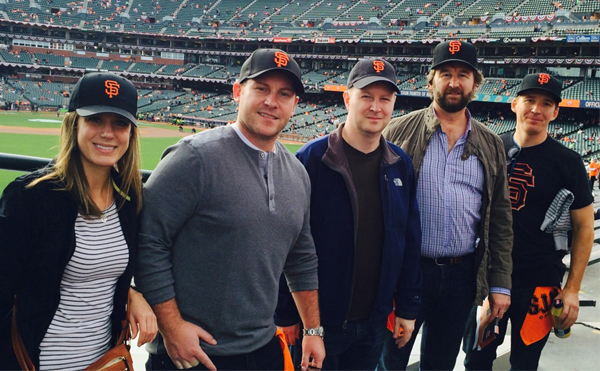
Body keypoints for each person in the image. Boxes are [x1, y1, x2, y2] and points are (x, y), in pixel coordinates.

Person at [136, 48, 325, 371]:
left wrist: (313, 330)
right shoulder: (194, 157)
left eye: (284, 93)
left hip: (262, 348)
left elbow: (301, 258)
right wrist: (172, 327)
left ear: (295, 104)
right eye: (261, 89)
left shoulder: (297, 174)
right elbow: (148, 240)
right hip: (190, 353)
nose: (271, 102)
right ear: (238, 92)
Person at [0, 72, 157, 370]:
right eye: (95, 120)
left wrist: (132, 293)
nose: (108, 133)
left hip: (105, 362)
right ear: (74, 125)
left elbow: (105, 274)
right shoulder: (30, 198)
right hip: (40, 363)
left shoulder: (129, 202)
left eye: (120, 123)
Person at [276, 58, 422, 370]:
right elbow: (286, 243)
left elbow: (408, 241)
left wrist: (407, 308)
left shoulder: (401, 164)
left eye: (385, 99)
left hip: (373, 323)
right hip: (318, 323)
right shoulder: (312, 159)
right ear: (347, 98)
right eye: (367, 96)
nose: (376, 107)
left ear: (394, 104)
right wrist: (286, 314)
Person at [379, 40, 513, 370]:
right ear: (431, 80)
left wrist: (500, 284)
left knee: (441, 362)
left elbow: (500, 219)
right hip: (408, 273)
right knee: (390, 361)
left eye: (463, 74)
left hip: (462, 275)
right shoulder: (398, 131)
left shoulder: (490, 143)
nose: (454, 83)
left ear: (475, 83)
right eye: (446, 73)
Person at [463, 73, 594, 370]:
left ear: (555, 112)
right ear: (515, 104)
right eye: (530, 100)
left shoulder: (568, 162)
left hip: (539, 282)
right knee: (477, 359)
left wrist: (572, 289)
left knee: (525, 363)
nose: (536, 109)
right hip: (489, 276)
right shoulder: (491, 148)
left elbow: (585, 227)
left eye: (546, 103)